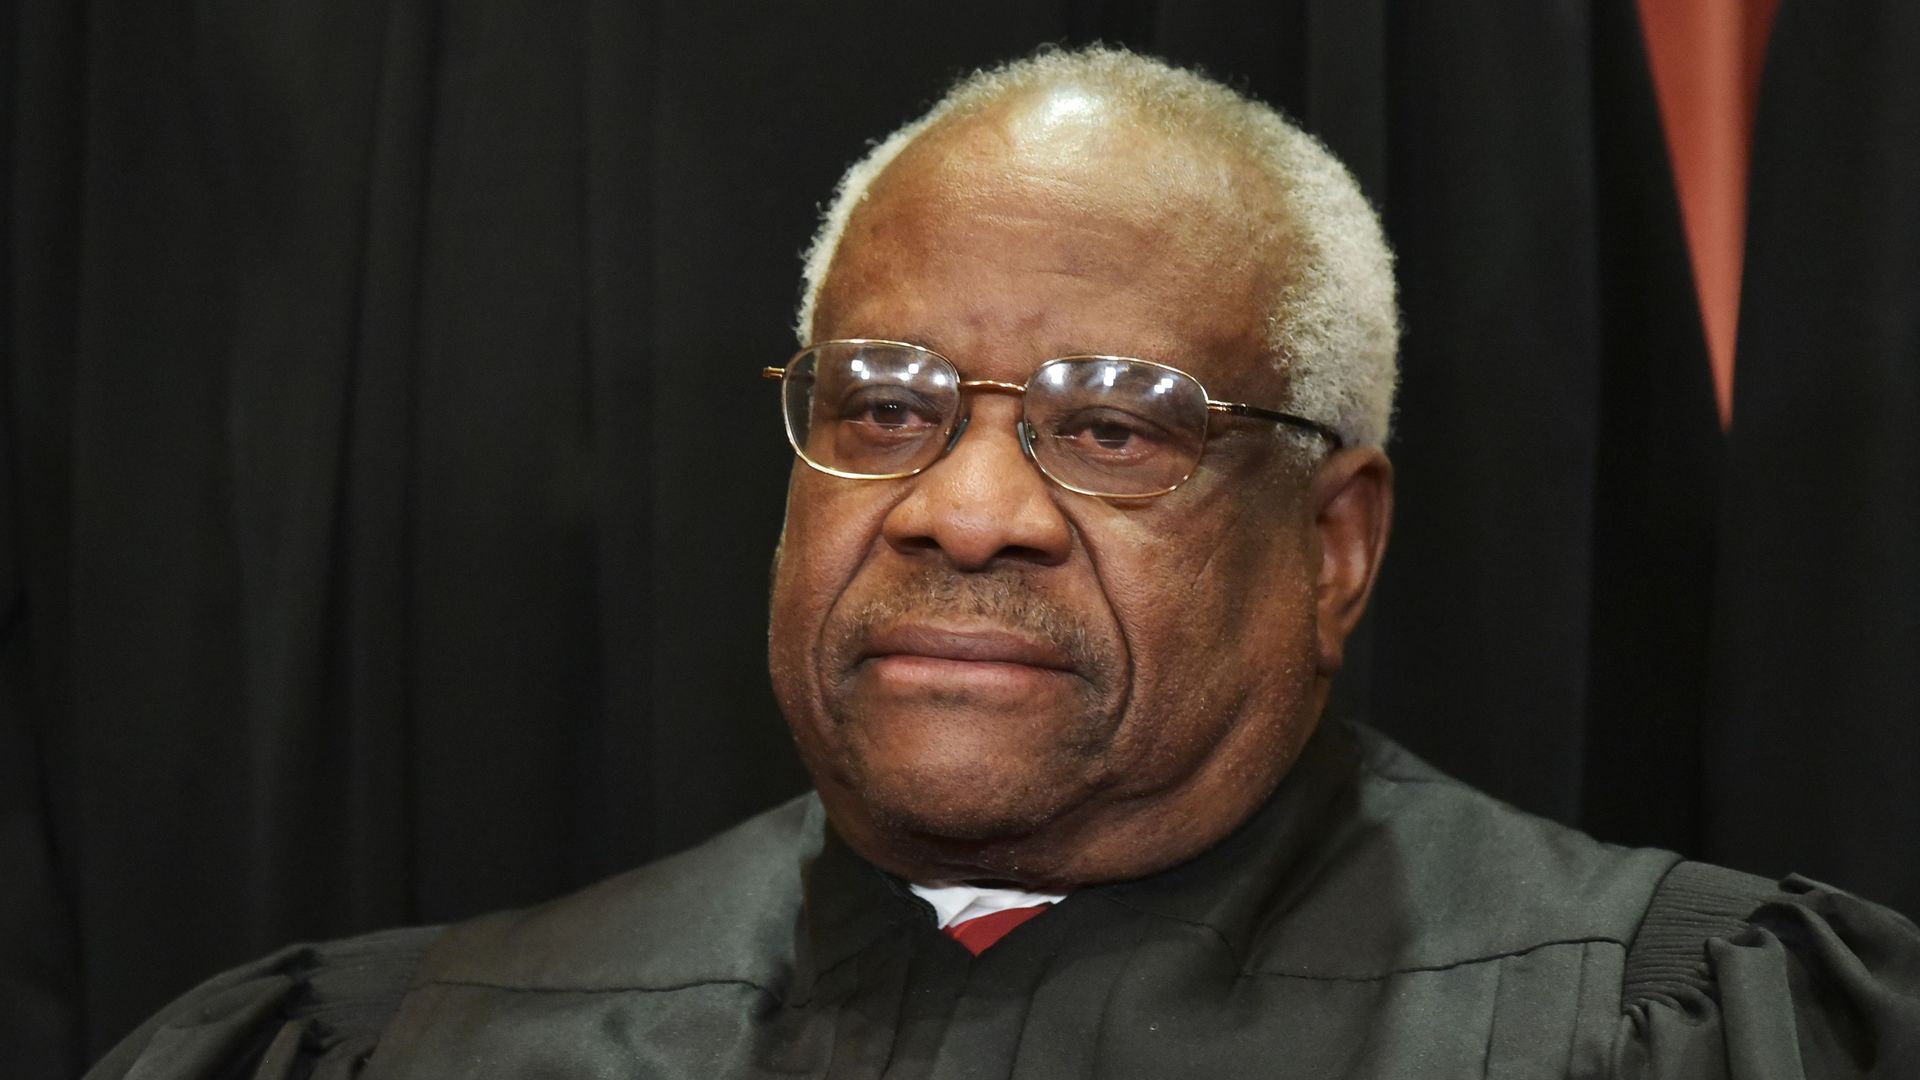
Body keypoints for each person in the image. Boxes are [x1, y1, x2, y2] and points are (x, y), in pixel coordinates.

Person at [88, 46, 1919, 1080]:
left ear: (1336, 545)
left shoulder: (1676, 1035)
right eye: (883, 405)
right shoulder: (386, 1050)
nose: (967, 506)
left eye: (1115, 424)